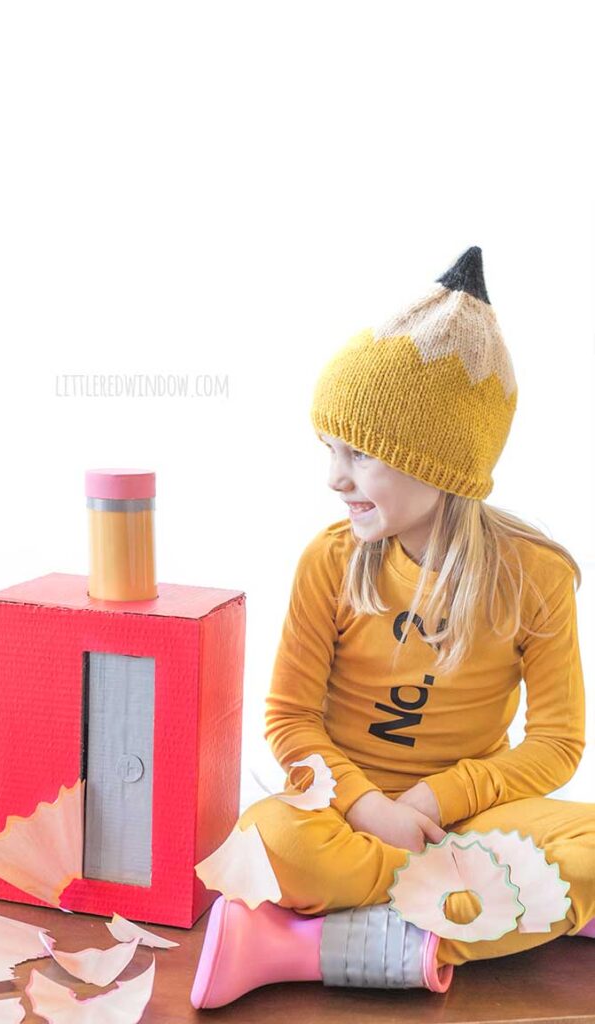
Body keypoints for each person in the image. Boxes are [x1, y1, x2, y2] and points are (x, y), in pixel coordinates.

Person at [190, 246, 595, 1009]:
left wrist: (436, 800)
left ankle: (307, 948)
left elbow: (556, 743)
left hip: (467, 818)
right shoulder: (330, 560)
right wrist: (370, 807)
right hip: (347, 816)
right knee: (270, 840)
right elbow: (290, 722)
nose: (334, 477)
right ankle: (512, 908)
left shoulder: (534, 575)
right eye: (329, 449)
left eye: (360, 454)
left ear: (437, 464)